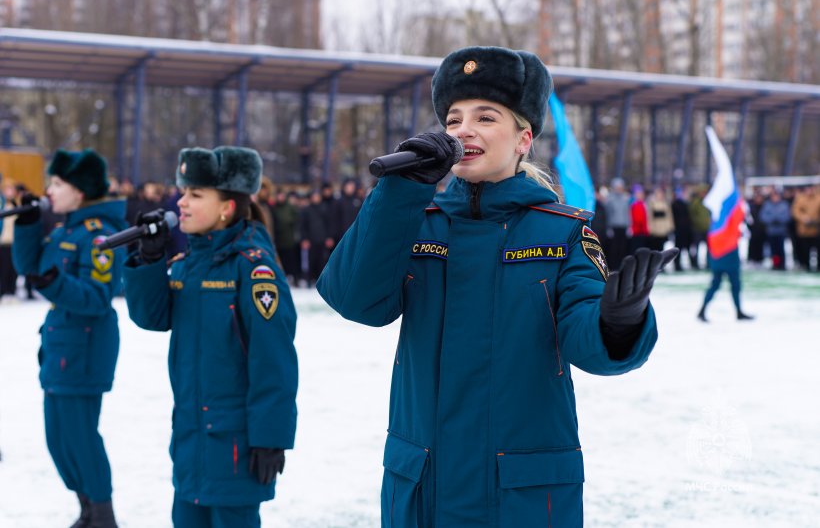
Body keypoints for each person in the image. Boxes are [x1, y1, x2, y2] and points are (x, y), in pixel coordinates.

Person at [317, 46, 677, 528]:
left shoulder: (563, 232)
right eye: (454, 119)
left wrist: (619, 320)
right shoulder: (414, 220)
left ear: (524, 138)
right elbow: (356, 300)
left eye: (486, 117)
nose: (464, 130)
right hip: (425, 490)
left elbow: (585, 342)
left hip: (519, 498)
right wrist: (399, 190)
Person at [123, 146, 298, 528]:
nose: (181, 202)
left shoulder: (254, 270)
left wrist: (271, 437)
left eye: (195, 194)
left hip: (236, 446)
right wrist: (150, 259)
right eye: (183, 191)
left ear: (226, 208)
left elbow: (274, 362)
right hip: (190, 440)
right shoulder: (188, 264)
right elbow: (152, 317)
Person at [12, 149, 127, 527]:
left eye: (58, 183)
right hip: (60, 346)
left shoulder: (99, 235)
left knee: (80, 436)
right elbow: (29, 267)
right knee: (58, 439)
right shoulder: (65, 229)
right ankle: (86, 508)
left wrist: (55, 284)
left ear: (80, 191)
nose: (50, 190)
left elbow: (97, 298)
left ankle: (103, 515)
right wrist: (28, 224)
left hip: (85, 348)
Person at [697, 244, 754, 322]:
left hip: (717, 259)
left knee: (714, 286)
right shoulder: (731, 235)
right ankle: (739, 311)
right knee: (735, 286)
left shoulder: (714, 235)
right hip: (730, 259)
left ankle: (702, 309)